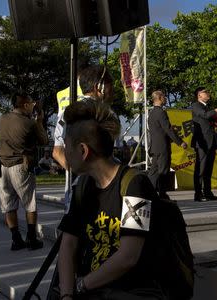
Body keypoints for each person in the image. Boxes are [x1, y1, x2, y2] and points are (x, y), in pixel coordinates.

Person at [57, 100, 167, 300]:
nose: (63, 153)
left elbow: (128, 257)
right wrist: (66, 295)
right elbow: (68, 244)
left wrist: (81, 285)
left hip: (132, 291)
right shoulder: (82, 186)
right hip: (92, 290)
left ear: (83, 151)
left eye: (66, 147)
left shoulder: (135, 185)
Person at [52, 65, 114, 212]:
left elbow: (57, 152)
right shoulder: (106, 114)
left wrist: (78, 172)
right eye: (111, 85)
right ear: (100, 87)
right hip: (103, 194)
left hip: (74, 196)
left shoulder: (66, 113)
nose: (113, 91)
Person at [0, 92, 48, 251]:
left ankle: (16, 239)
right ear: (25, 105)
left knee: (9, 205)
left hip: (4, 166)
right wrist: (39, 121)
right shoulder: (30, 123)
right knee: (29, 203)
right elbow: (44, 141)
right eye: (32, 103)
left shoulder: (2, 119)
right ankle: (32, 239)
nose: (34, 106)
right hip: (21, 166)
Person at [191, 87, 217, 202]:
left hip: (211, 142)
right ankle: (198, 194)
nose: (208, 94)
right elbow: (206, 115)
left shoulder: (206, 107)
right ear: (199, 95)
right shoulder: (196, 106)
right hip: (202, 143)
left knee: (208, 169)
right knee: (201, 169)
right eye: (206, 92)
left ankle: (208, 193)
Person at [148, 91, 187, 200]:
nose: (165, 98)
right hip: (162, 147)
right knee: (163, 171)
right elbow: (168, 129)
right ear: (160, 98)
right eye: (164, 96)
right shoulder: (161, 112)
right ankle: (162, 194)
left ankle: (148, 193)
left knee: (153, 172)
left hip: (155, 147)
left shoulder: (152, 113)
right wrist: (180, 142)